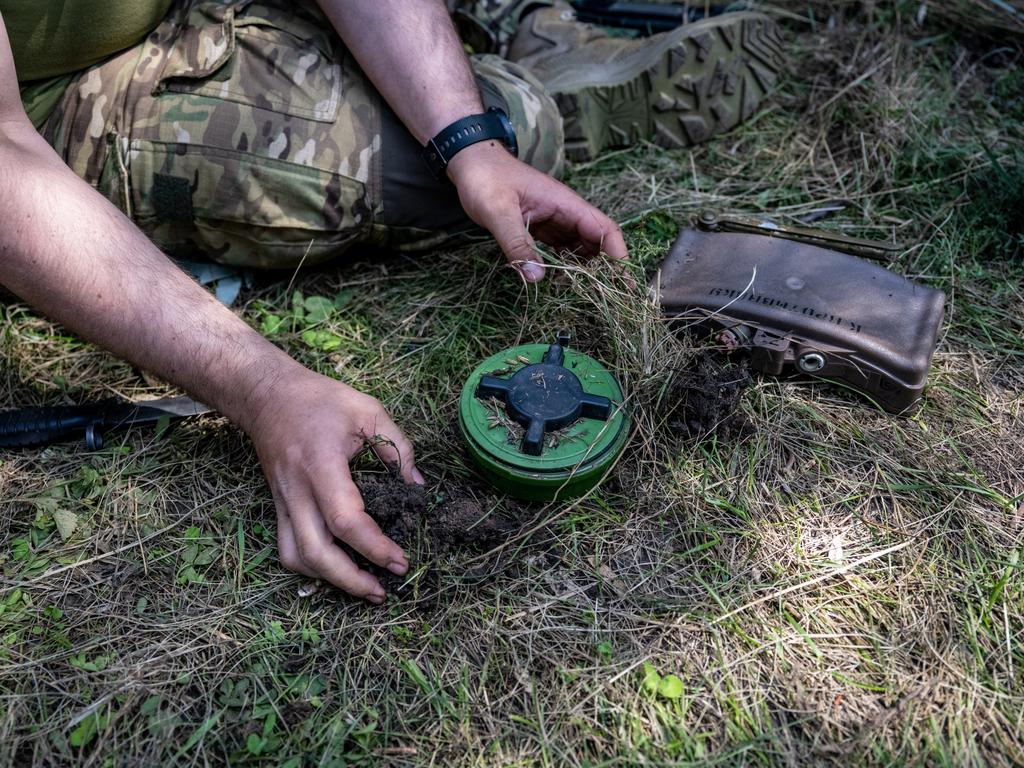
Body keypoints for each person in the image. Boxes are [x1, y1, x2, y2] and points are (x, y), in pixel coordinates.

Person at [0, 0, 782, 602]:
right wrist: (267, 388)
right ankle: (531, 60)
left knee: (486, 140)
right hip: (41, 93)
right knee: (434, 154)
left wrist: (470, 143)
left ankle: (516, 47)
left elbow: (465, 142)